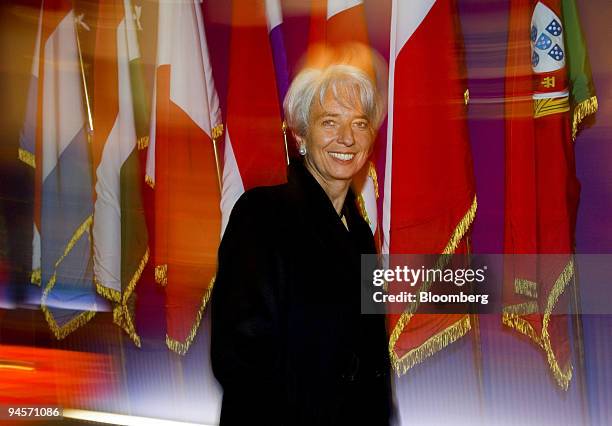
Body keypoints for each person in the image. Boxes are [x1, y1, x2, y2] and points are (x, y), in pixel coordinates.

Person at [210, 63, 392, 425]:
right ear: (301, 136)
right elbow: (240, 357)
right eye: (330, 122)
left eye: (359, 123)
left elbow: (372, 360)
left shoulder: (360, 235)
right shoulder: (262, 215)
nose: (347, 138)